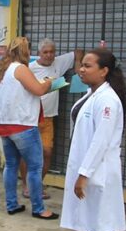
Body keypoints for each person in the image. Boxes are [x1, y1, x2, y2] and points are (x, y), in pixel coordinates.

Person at [60, 47, 126, 231]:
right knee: (90, 220)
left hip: (98, 172)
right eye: (82, 64)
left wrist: (84, 174)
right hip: (87, 168)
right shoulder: (92, 94)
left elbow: (100, 141)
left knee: (103, 223)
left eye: (88, 66)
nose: (81, 69)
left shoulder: (108, 101)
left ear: (104, 71)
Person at [0, 36, 61, 220]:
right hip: (22, 125)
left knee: (11, 165)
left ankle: (11, 204)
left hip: (4, 125)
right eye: (28, 49)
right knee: (35, 167)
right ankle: (39, 209)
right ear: (24, 51)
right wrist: (50, 82)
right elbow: (38, 90)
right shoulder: (20, 69)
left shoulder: (1, 70)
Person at [23, 40, 83, 199]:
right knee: (27, 154)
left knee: (47, 152)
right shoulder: (29, 68)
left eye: (52, 51)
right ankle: (26, 186)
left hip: (48, 118)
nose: (49, 55)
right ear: (39, 53)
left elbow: (78, 52)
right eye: (45, 52)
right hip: (31, 117)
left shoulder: (58, 63)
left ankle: (36, 184)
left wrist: (78, 67)